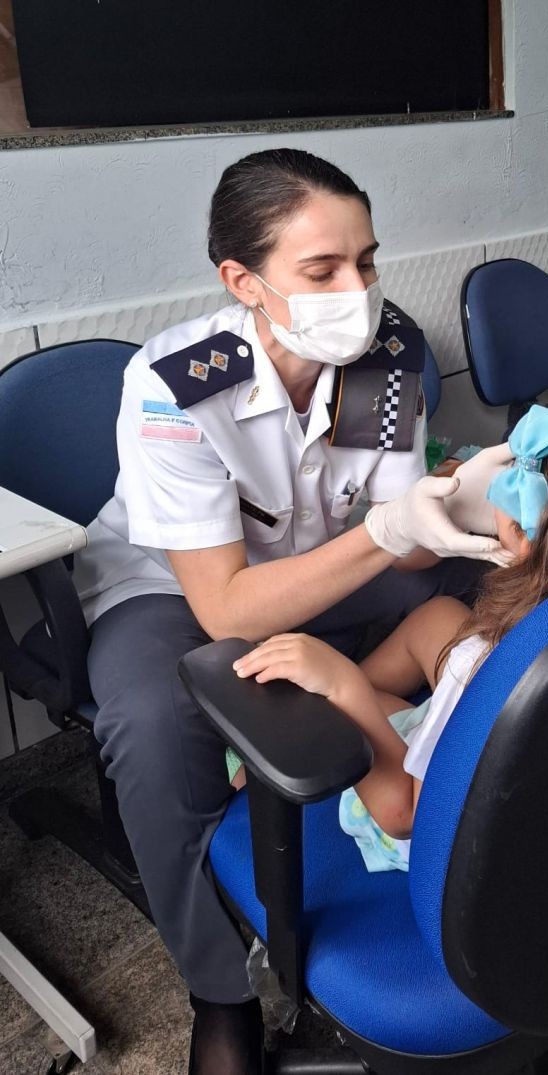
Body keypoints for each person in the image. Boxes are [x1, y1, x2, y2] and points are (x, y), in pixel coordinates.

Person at [72, 148, 512, 1075]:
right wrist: (391, 529)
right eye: (322, 270)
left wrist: (468, 503)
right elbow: (227, 603)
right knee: (150, 726)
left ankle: (452, 805)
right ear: (244, 281)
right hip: (178, 586)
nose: (357, 288)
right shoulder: (180, 382)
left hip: (325, 557)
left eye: (367, 260)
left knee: (485, 589)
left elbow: (409, 535)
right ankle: (220, 990)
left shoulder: (380, 355)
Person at [231, 400, 548, 868]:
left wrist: (341, 687)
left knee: (344, 691)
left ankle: (315, 715)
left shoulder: (478, 667)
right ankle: (400, 722)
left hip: (444, 838)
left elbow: (405, 817)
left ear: (522, 536)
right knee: (438, 614)